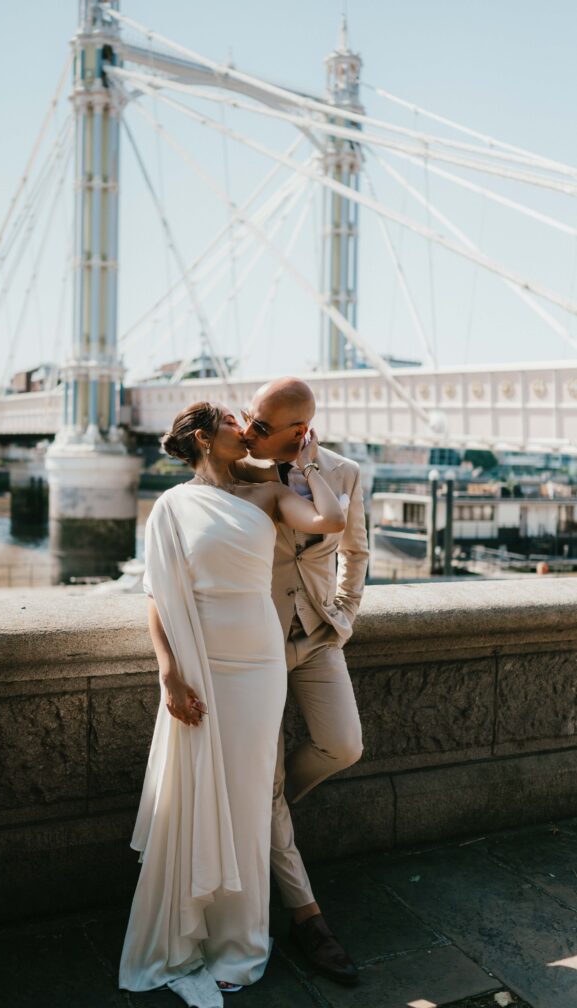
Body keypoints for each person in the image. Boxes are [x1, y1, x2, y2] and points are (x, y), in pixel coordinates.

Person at [118, 401, 346, 1008]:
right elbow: (159, 595)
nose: (244, 429)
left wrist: (305, 459)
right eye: (230, 420)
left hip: (261, 664)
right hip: (204, 662)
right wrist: (169, 674)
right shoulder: (171, 507)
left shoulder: (268, 495)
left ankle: (244, 943)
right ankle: (198, 931)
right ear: (201, 436)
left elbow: (330, 521)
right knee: (201, 794)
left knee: (247, 800)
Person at [236, 377, 369, 986]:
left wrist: (344, 613)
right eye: (249, 419)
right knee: (261, 790)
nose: (250, 433)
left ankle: (267, 808)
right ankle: (308, 917)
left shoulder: (342, 472)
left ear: (300, 430)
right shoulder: (235, 468)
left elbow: (356, 551)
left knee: (342, 745)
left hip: (315, 635)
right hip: (254, 643)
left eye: (264, 427)